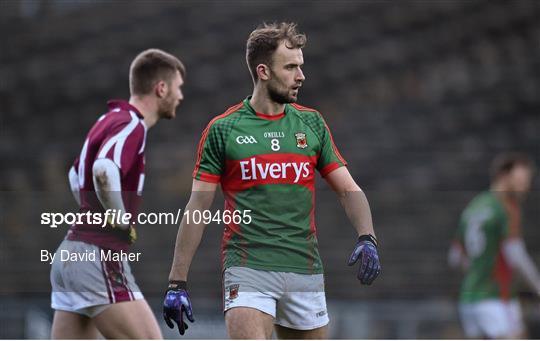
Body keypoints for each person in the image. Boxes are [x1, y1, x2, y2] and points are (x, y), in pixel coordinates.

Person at [163, 22, 380, 339]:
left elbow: (348, 190)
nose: (301, 76)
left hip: (304, 269)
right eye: (291, 67)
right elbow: (198, 206)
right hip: (248, 268)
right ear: (263, 71)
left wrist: (367, 236)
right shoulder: (223, 129)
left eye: (300, 66)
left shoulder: (311, 124)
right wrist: (176, 281)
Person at [50, 48, 185, 339]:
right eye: (178, 87)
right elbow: (102, 170)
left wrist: (96, 212)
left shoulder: (108, 118)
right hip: (96, 256)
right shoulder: (132, 124)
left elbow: (76, 177)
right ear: (161, 88)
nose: (181, 96)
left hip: (70, 255)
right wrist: (119, 221)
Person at [448, 153, 540, 339]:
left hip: (468, 299)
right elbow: (516, 255)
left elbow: (455, 257)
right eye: (521, 179)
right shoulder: (506, 207)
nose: (526, 187)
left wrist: (478, 270)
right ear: (504, 176)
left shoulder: (474, 206)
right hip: (496, 298)